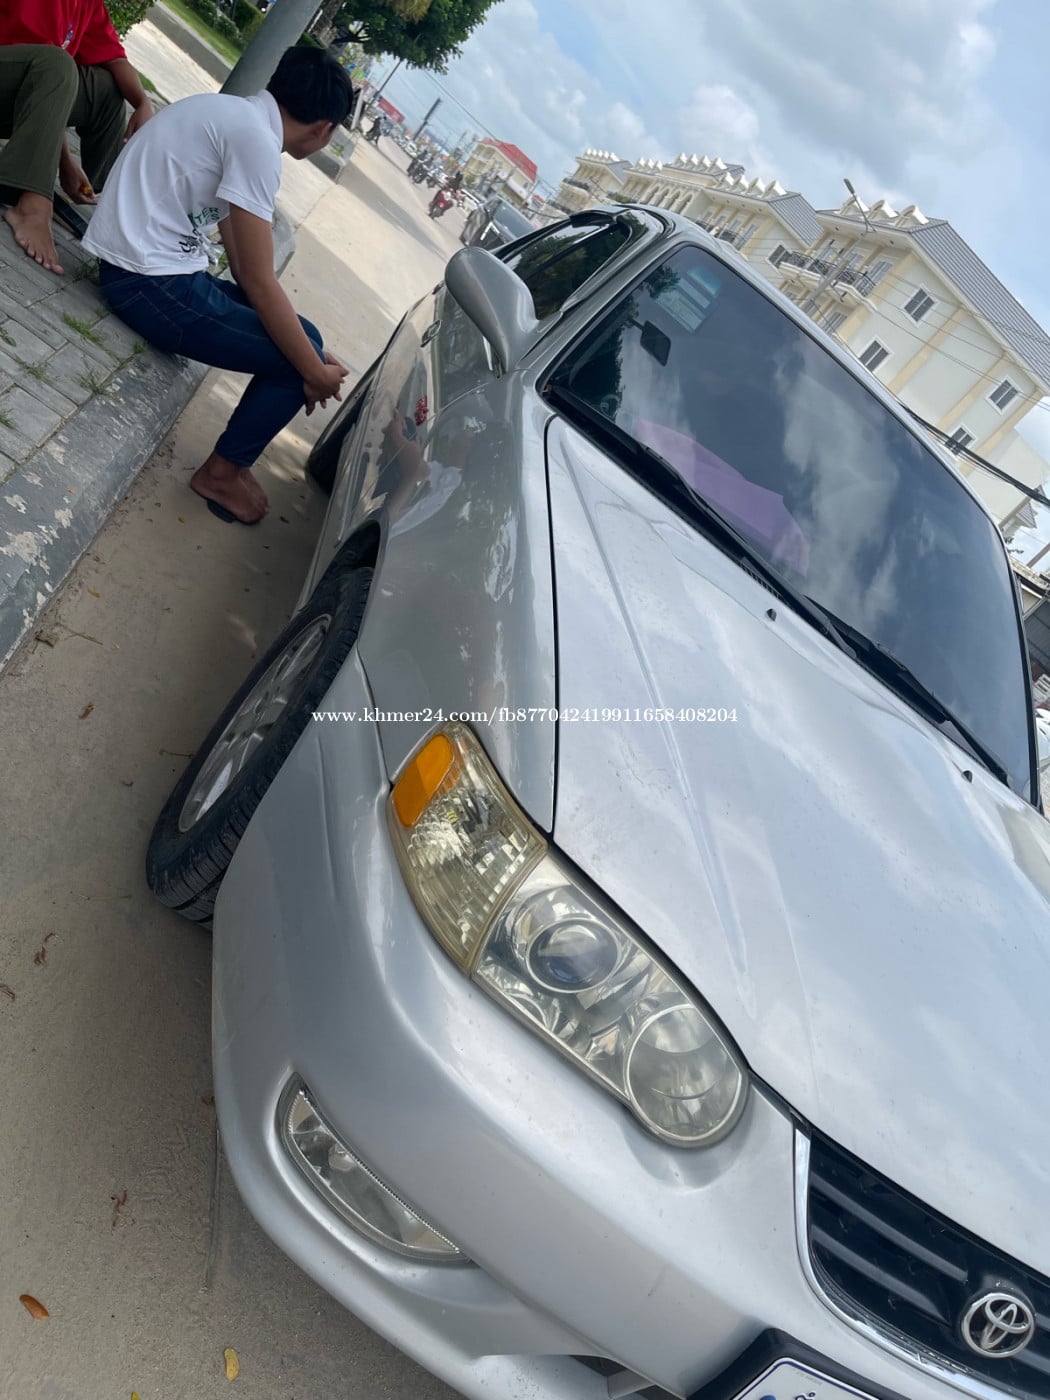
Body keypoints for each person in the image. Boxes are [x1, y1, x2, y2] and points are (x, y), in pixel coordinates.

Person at [83, 46, 354, 527]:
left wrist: (310, 351)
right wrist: (312, 370)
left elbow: (246, 268)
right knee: (293, 365)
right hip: (145, 282)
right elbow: (258, 280)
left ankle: (234, 463)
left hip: (151, 271)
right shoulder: (256, 144)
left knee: (305, 340)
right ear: (323, 129)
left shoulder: (236, 116)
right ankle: (221, 474)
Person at [0, 0, 154, 275]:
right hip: (14, 83)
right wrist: (64, 163)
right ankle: (31, 202)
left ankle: (114, 205)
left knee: (107, 87)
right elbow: (42, 81)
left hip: (23, 92)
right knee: (58, 64)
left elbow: (114, 58)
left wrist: (143, 102)